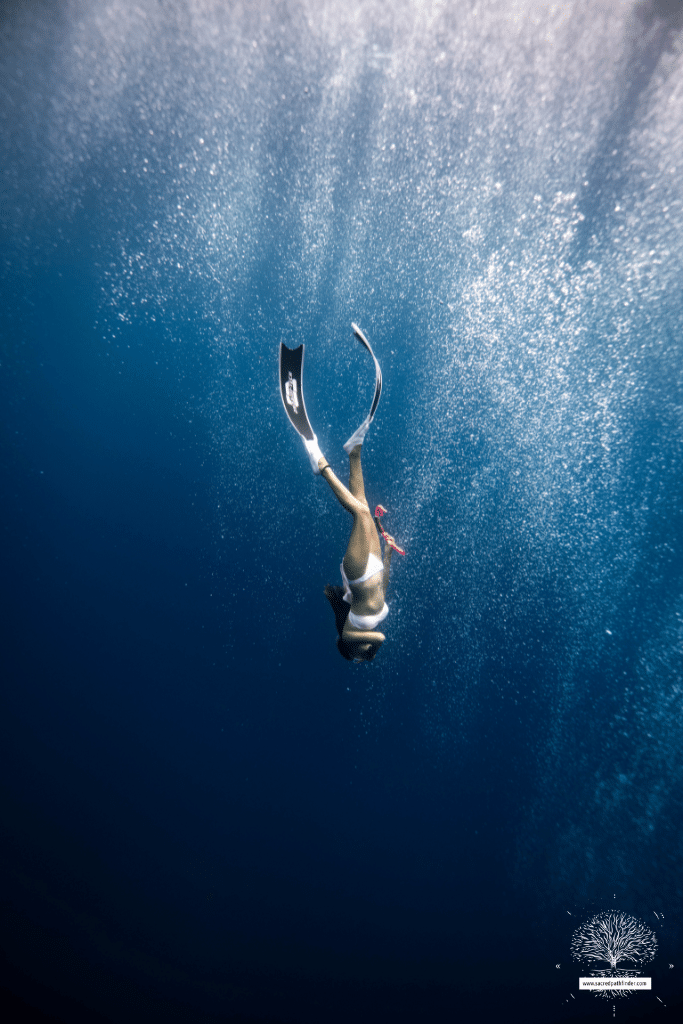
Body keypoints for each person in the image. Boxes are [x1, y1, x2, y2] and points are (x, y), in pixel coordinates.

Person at [317, 444, 395, 662]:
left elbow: (379, 638)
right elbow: (383, 587)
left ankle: (322, 467)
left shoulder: (348, 636)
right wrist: (388, 555)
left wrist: (370, 655)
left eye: (357, 658)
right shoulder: (371, 625)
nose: (361, 658)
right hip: (376, 566)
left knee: (360, 513)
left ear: (350, 651)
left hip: (359, 573)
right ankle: (354, 454)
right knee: (363, 505)